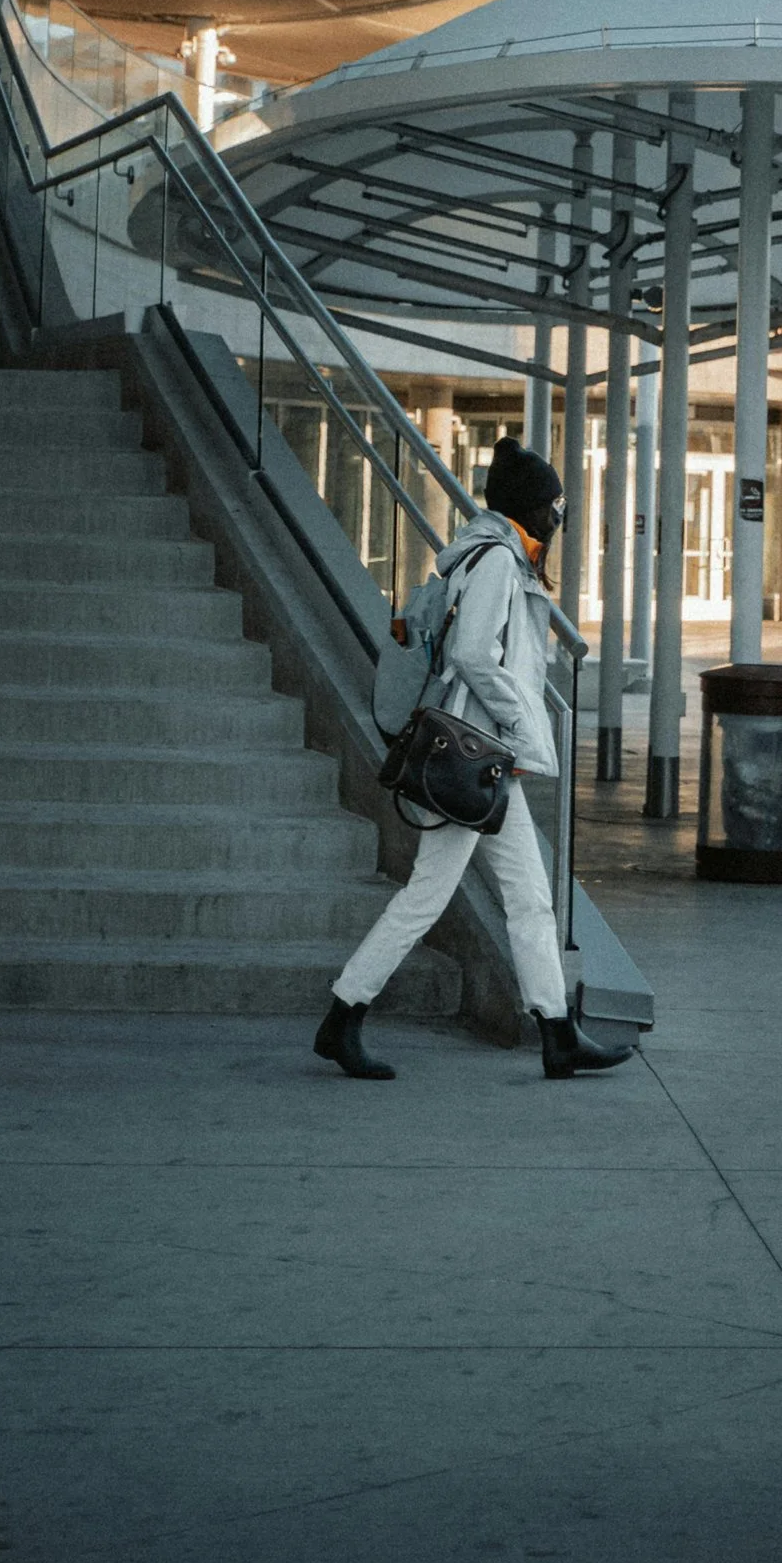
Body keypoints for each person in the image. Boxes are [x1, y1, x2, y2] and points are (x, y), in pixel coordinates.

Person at [315, 436, 633, 1084]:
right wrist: (516, 724)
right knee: (428, 895)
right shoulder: (493, 561)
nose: (560, 514)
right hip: (473, 756)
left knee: (528, 896)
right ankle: (343, 1012)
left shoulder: (499, 556)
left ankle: (556, 1030)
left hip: (485, 758)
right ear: (529, 508)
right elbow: (471, 654)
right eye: (554, 504)